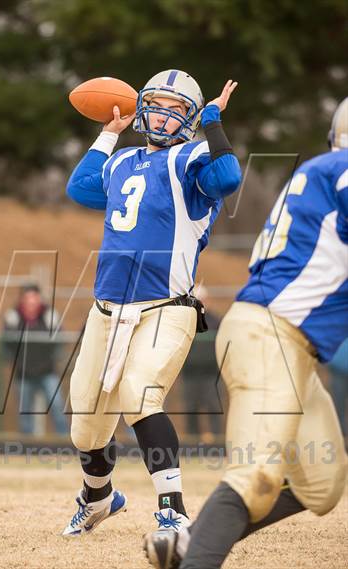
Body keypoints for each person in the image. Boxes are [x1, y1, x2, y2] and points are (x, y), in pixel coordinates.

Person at [144, 96, 348, 568]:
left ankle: (190, 541)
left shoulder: (326, 171)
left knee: (321, 482)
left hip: (289, 344)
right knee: (255, 474)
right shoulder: (340, 171)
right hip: (270, 336)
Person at [62, 70, 241, 537]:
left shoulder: (194, 158)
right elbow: (79, 189)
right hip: (106, 309)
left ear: (190, 117)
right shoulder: (122, 161)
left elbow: (228, 177)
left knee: (140, 392)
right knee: (85, 429)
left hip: (167, 304)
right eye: (157, 104)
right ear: (142, 107)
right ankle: (99, 498)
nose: (163, 116)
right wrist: (107, 133)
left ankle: (172, 509)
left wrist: (214, 121)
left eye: (176, 108)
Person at [2, 284, 68, 436]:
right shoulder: (13, 316)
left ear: (39, 299)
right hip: (23, 373)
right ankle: (27, 447)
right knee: (25, 412)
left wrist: (54, 358)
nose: (31, 302)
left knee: (57, 406)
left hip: (47, 371)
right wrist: (15, 361)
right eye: (27, 299)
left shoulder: (49, 315)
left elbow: (59, 341)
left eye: (34, 298)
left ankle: (65, 441)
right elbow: (6, 343)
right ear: (22, 300)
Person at [180, 285, 223, 443]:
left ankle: (217, 442)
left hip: (212, 374)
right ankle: (193, 443)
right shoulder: (186, 322)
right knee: (191, 408)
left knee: (214, 407)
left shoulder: (216, 321)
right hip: (190, 374)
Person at [328, 337, 348, 439]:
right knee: (338, 402)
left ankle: (340, 431)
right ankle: (340, 431)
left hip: (338, 365)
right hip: (339, 368)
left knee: (338, 401)